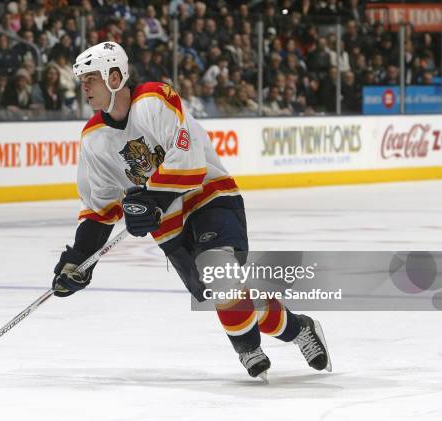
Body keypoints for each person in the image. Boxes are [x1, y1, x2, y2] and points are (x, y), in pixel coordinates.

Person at [50, 42, 332, 380]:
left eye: (90, 78)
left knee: (222, 276)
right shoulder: (93, 139)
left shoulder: (154, 100)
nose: (84, 86)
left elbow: (188, 165)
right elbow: (99, 207)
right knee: (229, 296)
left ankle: (246, 346)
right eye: (81, 80)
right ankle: (300, 328)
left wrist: (149, 200)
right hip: (168, 227)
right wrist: (80, 258)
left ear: (114, 76)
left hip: (208, 197)